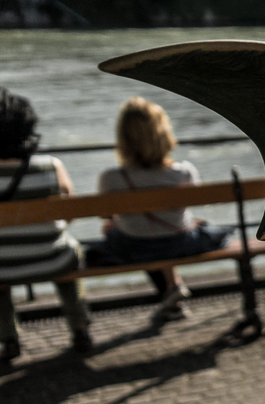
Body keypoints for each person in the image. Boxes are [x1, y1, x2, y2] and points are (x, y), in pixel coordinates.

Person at [85, 97, 229, 325]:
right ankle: (174, 291)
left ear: (123, 138)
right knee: (185, 230)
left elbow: (106, 216)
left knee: (129, 233)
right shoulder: (184, 171)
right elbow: (187, 206)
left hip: (134, 246)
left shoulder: (111, 177)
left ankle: (173, 293)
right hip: (181, 242)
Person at [0, 88, 92, 363]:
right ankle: (80, 326)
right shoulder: (51, 166)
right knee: (69, 253)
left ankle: (8, 338)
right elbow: (67, 214)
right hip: (52, 260)